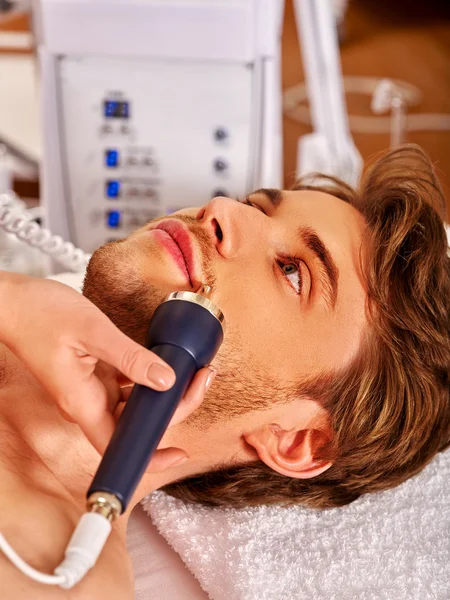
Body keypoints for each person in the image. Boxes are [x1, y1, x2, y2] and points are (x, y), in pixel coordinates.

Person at [0, 145, 448, 598]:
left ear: (295, 441)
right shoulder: (11, 305)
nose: (222, 210)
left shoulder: (57, 577)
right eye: (255, 205)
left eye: (292, 272)